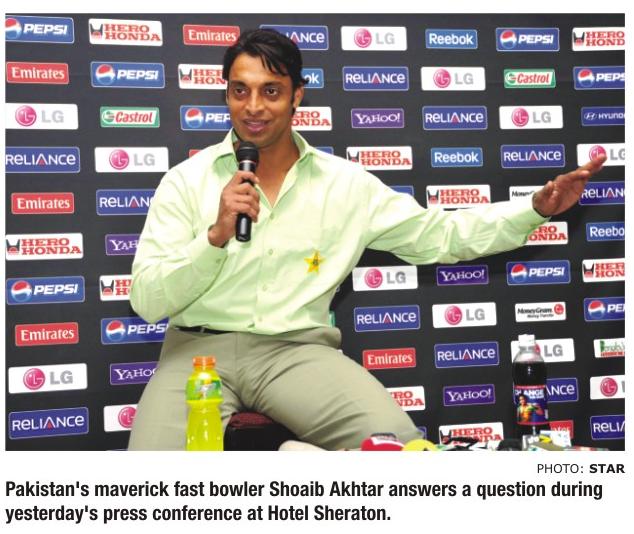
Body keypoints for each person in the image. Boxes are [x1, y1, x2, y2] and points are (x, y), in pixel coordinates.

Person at [127, 28, 606, 451]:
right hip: (196, 355)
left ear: (297, 96)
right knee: (151, 482)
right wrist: (214, 238)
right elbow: (147, 301)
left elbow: (441, 235)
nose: (253, 107)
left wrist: (535, 208)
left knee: (398, 452)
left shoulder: (346, 184)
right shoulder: (186, 181)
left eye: (271, 91)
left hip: (296, 353)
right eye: (240, 91)